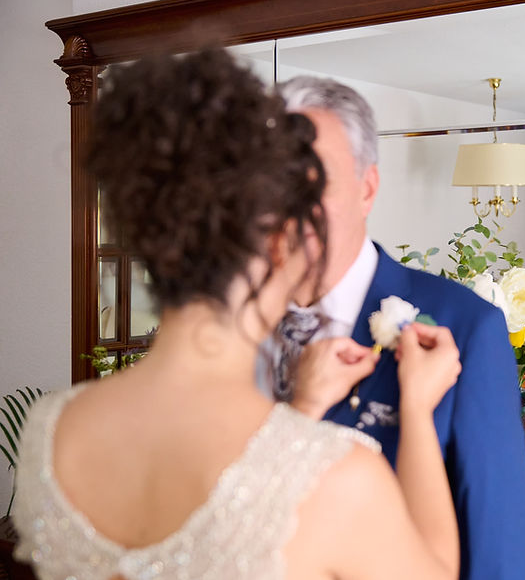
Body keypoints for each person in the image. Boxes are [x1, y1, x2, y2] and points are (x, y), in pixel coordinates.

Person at [11, 48, 462, 580]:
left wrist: (302, 409)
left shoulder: (51, 431)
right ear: (279, 243)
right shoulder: (337, 478)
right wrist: (416, 409)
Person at [257, 76, 525, 580]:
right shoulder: (231, 330)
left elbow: (498, 552)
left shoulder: (466, 327)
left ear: (366, 189)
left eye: (315, 179)